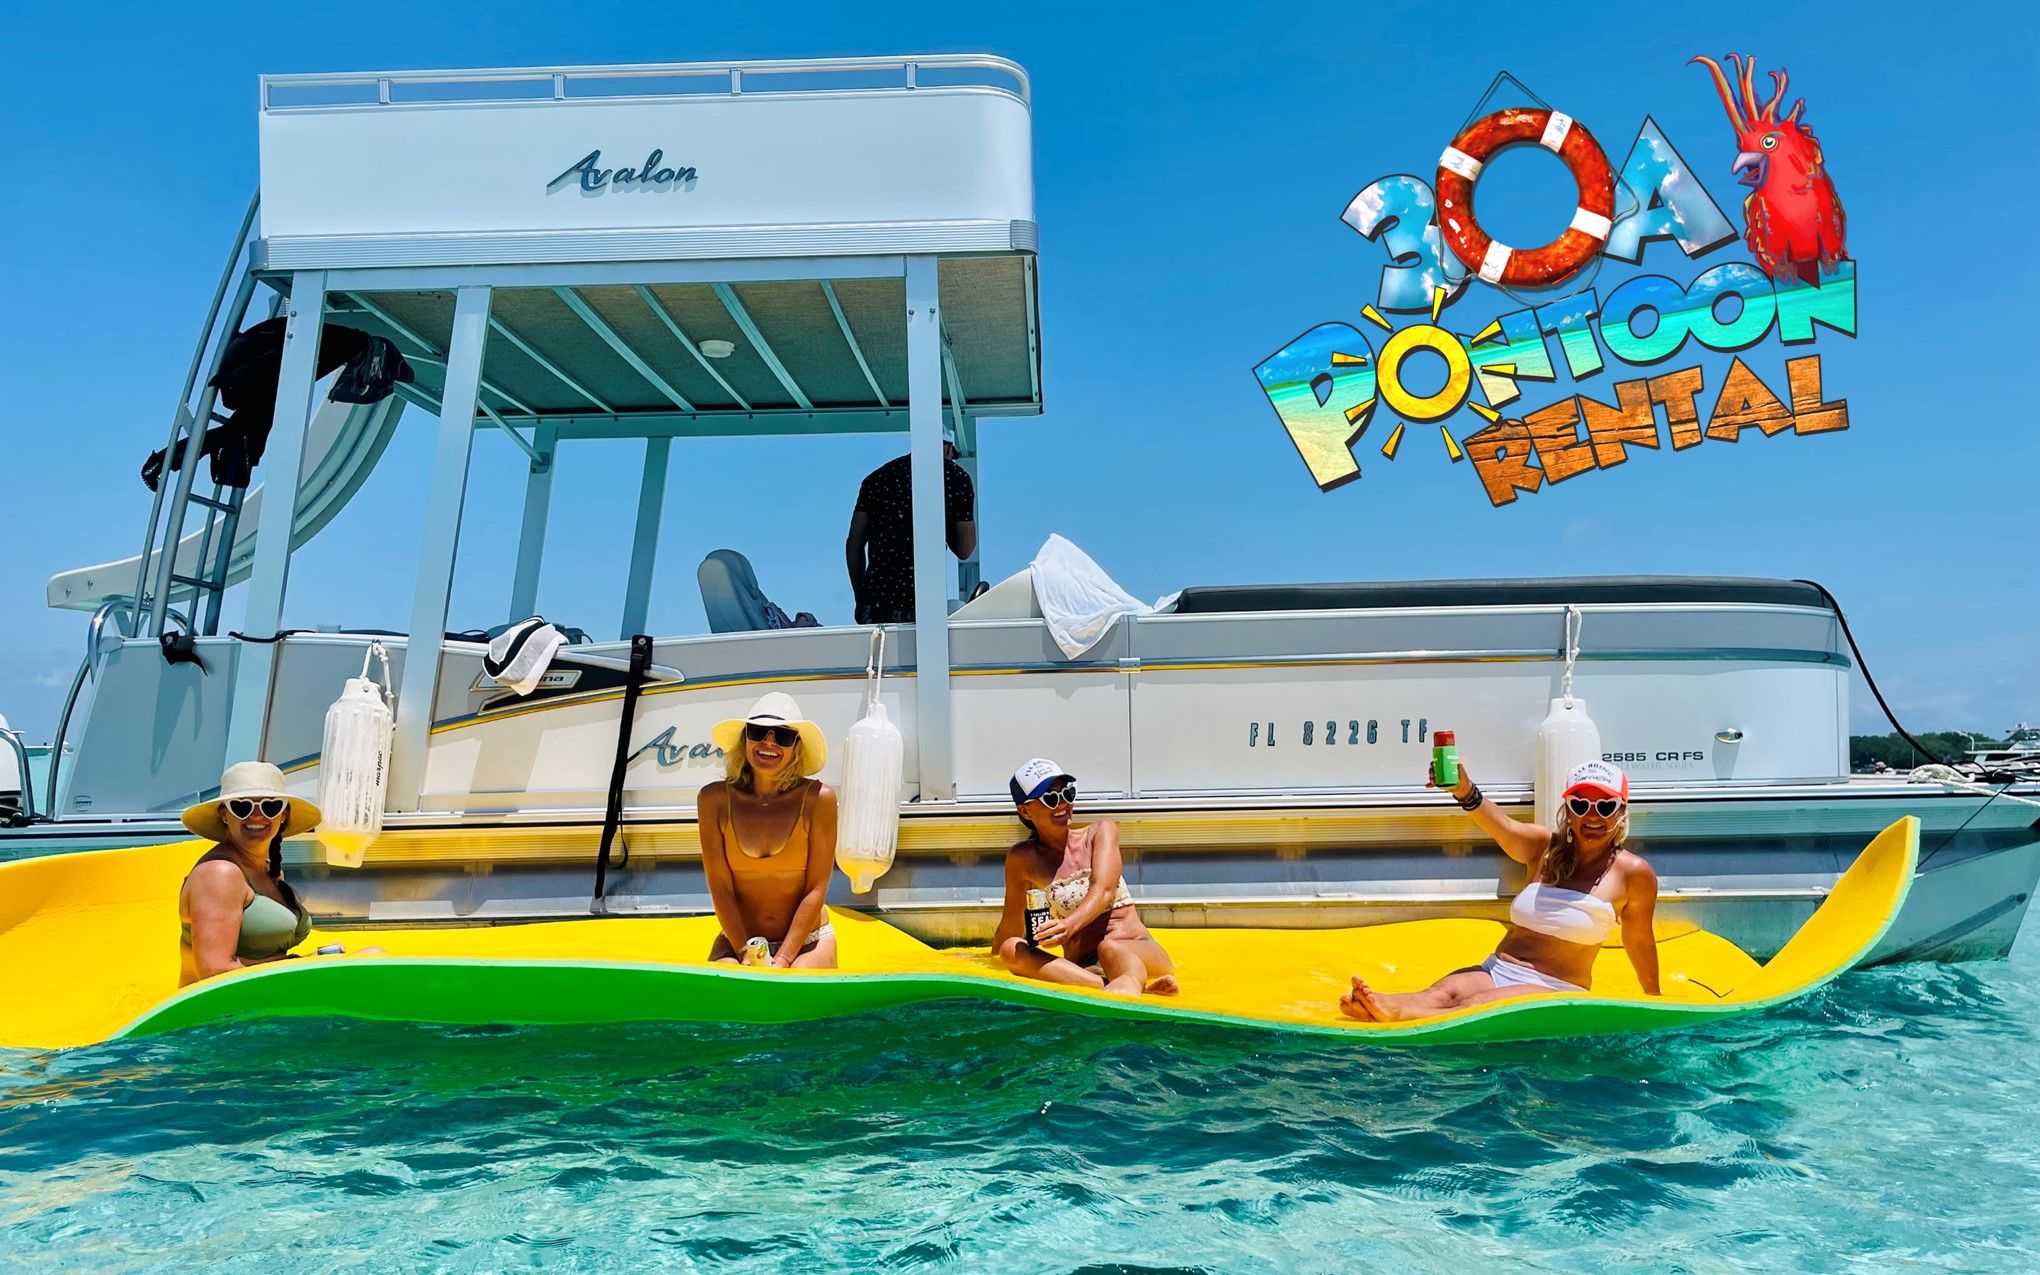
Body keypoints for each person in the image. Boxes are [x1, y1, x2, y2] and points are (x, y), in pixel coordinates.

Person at [1341, 758, 1660, 1022]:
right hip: (1498, 968)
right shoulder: (1544, 848)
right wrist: (1464, 790)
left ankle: (1391, 1012)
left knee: (1471, 1006)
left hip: (1555, 987)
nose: (1593, 816)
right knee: (1441, 995)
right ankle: (1384, 1007)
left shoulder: (1632, 873)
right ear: (1568, 810)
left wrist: (1655, 999)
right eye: (1581, 804)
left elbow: (1639, 940)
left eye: (1605, 807)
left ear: (1621, 812)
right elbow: (1501, 826)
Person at [993, 758, 1177, 996]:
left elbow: (1104, 890)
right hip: (1084, 968)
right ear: (1025, 811)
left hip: (1136, 949)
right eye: (1050, 798)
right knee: (1011, 950)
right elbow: (1011, 925)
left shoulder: (1101, 832)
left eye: (1067, 794)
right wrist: (978, 958)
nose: (1062, 804)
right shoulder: (1023, 859)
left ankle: (1129, 981)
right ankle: (1113, 986)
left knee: (1109, 948)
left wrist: (1067, 927)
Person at [698, 692, 840, 968]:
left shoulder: (819, 799)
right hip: (740, 940)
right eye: (759, 732)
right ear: (745, 738)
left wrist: (785, 958)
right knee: (726, 993)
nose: (769, 743)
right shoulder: (713, 800)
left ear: (796, 746)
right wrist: (743, 952)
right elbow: (721, 887)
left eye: (783, 736)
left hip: (808, 941)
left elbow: (816, 888)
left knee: (795, 988)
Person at [177, 762, 320, 986]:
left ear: (283, 815)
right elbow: (215, 972)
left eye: (270, 807)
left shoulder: (269, 871)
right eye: (242, 807)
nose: (256, 816)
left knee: (371, 954)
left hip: (261, 1001)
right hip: (221, 1013)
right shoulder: (219, 873)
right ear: (225, 815)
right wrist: (301, 964)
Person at [845, 422, 976, 623]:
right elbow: (965, 550)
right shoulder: (956, 478)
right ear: (948, 448)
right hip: (926, 603)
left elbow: (854, 545)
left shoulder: (876, 479)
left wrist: (861, 599)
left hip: (878, 605)